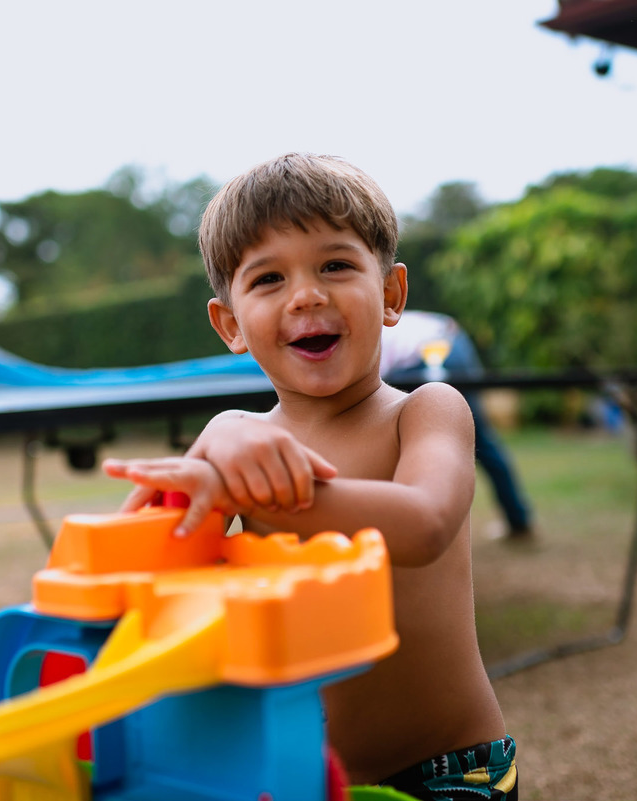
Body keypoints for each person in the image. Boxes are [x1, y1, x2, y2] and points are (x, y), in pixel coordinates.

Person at [103, 153, 517, 800]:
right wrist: (217, 440)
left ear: (390, 294)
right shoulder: (237, 441)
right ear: (231, 323)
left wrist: (246, 484)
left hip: (449, 771)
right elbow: (135, 566)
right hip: (303, 778)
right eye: (268, 278)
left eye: (336, 265)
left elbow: (427, 521)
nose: (306, 294)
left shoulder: (427, 412)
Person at [380, 310, 534, 538]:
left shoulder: (368, 337)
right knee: (481, 437)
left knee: (388, 434)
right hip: (455, 341)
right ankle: (518, 518)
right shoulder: (385, 321)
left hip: (431, 352)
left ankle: (400, 525)